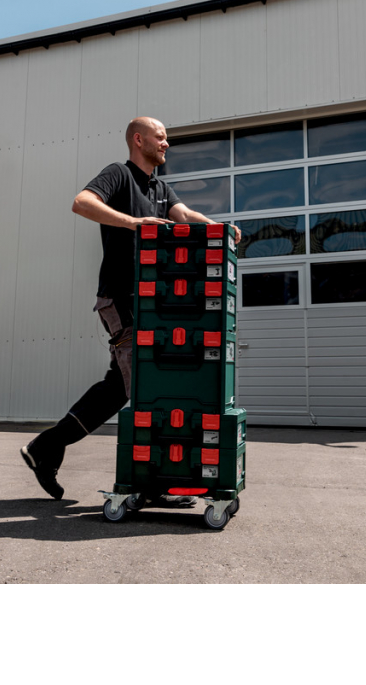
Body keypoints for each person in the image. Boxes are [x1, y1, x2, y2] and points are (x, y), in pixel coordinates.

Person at [20, 116, 240, 500]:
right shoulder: (118, 175)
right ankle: (153, 480)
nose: (166, 144)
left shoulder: (159, 187)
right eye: (160, 137)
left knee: (120, 387)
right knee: (144, 384)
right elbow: (82, 203)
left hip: (148, 304)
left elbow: (185, 216)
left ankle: (46, 447)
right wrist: (133, 223)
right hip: (120, 298)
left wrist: (219, 227)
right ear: (139, 140)